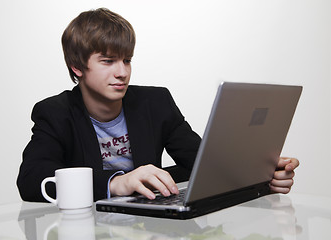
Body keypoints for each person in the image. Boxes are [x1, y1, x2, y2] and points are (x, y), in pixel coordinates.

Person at [16, 8, 299, 202]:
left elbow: (201, 163)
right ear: (77, 66)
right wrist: (116, 184)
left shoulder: (155, 102)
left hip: (151, 226)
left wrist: (260, 175)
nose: (122, 72)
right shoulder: (55, 113)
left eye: (126, 60)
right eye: (107, 61)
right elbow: (30, 180)